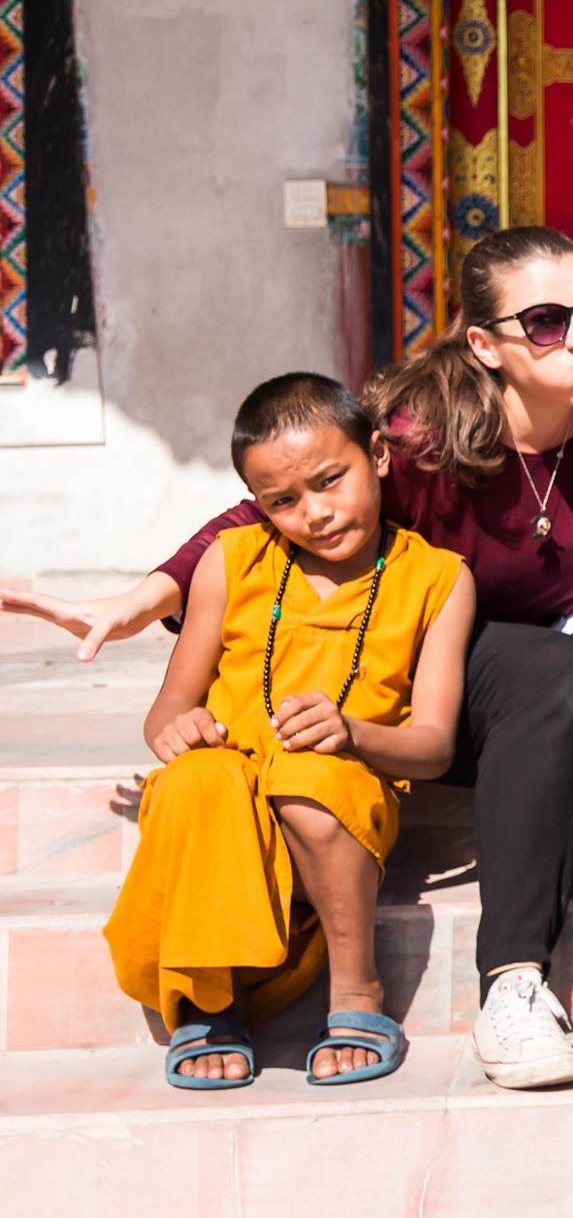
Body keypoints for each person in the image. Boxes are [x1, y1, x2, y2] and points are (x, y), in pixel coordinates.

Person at [5, 227, 573, 1087]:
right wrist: (142, 597)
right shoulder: (422, 437)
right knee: (552, 668)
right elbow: (270, 509)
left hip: (543, 677)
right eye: (547, 322)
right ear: (485, 344)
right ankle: (513, 982)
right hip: (431, 669)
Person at [105, 373, 473, 1090]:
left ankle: (356, 988)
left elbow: (433, 746)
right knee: (197, 779)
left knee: (309, 775)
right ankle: (210, 998)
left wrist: (354, 733)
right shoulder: (232, 559)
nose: (316, 513)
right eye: (283, 501)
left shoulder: (437, 577)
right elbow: (168, 705)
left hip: (336, 804)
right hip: (231, 807)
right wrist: (178, 732)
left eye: (331, 480)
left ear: (378, 456)